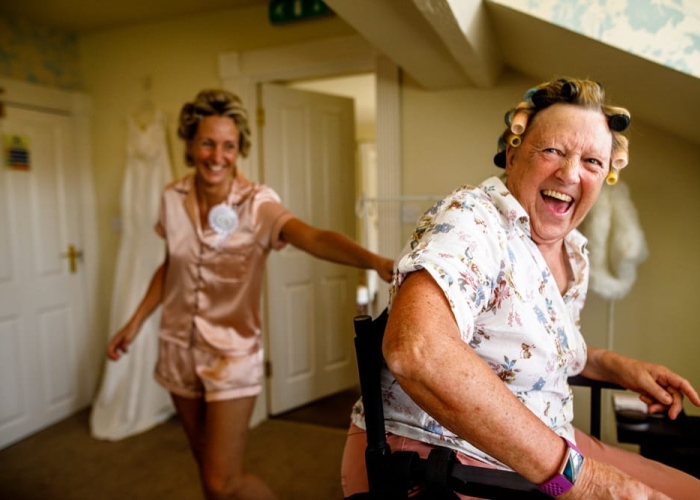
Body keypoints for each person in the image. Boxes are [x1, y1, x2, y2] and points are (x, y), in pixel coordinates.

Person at [341, 78, 700, 499]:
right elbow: (415, 349)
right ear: (513, 155)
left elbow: (530, 351)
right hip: (442, 459)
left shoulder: (571, 252)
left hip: (546, 445)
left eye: (591, 162)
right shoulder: (473, 219)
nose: (569, 173)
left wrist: (616, 366)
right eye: (552, 150)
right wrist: (580, 479)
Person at [106, 88, 394, 500]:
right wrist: (133, 325)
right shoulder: (172, 198)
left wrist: (373, 260)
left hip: (231, 354)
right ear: (190, 144)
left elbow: (310, 236)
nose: (217, 155)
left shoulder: (257, 203)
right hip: (176, 348)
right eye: (207, 143)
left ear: (239, 149)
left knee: (225, 480)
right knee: (208, 474)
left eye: (228, 145)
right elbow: (171, 265)